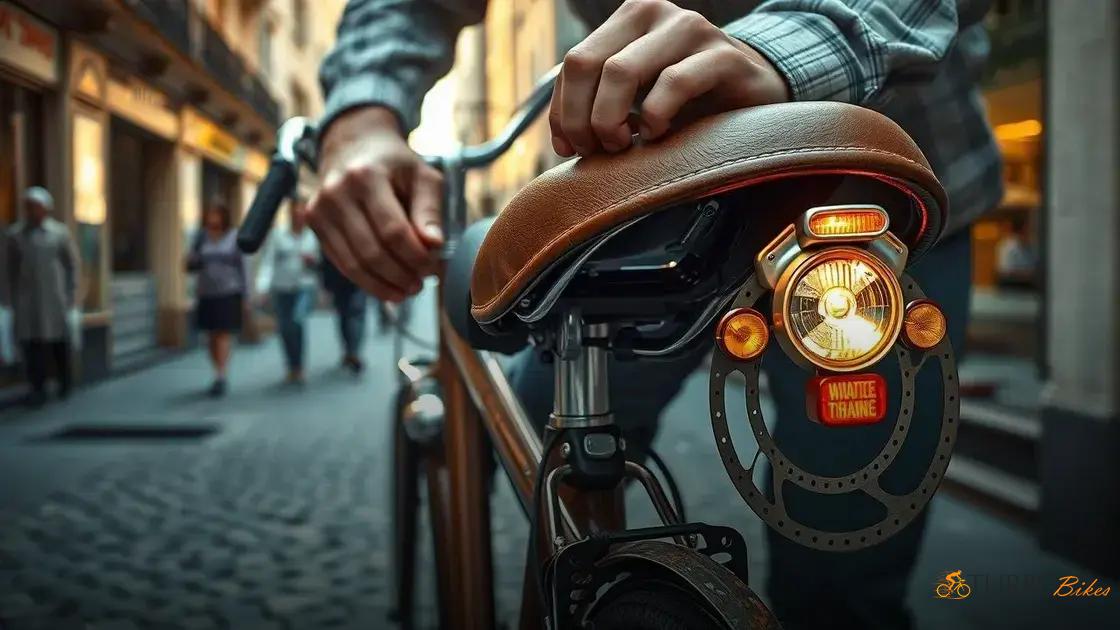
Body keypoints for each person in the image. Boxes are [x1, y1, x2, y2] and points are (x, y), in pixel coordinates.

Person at [309, 1, 1002, 628]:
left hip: (873, 196)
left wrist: (790, 48)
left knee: (845, 562)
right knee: (545, 448)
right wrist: (361, 117)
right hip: (644, 192)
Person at [3, 187, 79, 407]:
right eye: (28, 206)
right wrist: (7, 300)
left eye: (36, 207)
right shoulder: (15, 235)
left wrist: (72, 293)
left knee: (58, 342)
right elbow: (8, 270)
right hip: (27, 299)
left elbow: (71, 264)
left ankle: (65, 382)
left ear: (46, 209)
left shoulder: (59, 233)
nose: (32, 211)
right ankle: (38, 387)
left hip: (54, 297)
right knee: (32, 345)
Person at [186, 200, 248, 397]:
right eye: (210, 213)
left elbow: (243, 267)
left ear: (224, 216)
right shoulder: (201, 237)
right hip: (206, 293)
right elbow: (191, 263)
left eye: (216, 213)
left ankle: (221, 375)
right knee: (211, 336)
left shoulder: (233, 237)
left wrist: (246, 295)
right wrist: (192, 260)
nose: (212, 217)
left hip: (228, 292)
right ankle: (217, 371)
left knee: (222, 333)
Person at [256, 199, 320, 384]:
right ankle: (292, 366)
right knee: (285, 328)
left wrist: (312, 262)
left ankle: (299, 366)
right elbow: (267, 263)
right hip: (282, 288)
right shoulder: (277, 235)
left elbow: (321, 264)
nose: (298, 216)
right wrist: (262, 287)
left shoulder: (312, 237)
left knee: (297, 321)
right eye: (295, 212)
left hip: (304, 287)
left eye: (302, 212)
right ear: (290, 214)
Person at [321, 256, 367, 373]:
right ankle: (352, 351)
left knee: (348, 315)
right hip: (354, 277)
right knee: (352, 315)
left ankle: (351, 351)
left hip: (343, 277)